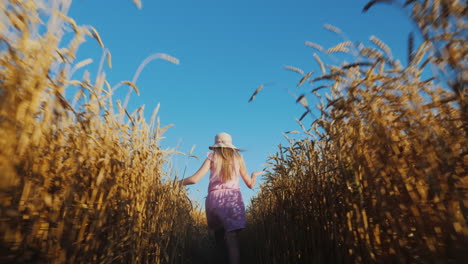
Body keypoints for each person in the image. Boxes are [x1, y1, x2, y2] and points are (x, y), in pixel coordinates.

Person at [178, 132, 264, 264]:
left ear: (216, 146)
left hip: (214, 201)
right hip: (232, 200)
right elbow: (250, 185)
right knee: (233, 242)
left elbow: (195, 179)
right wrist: (253, 175)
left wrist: (175, 183)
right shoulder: (238, 158)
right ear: (231, 146)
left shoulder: (212, 157)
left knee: (219, 241)